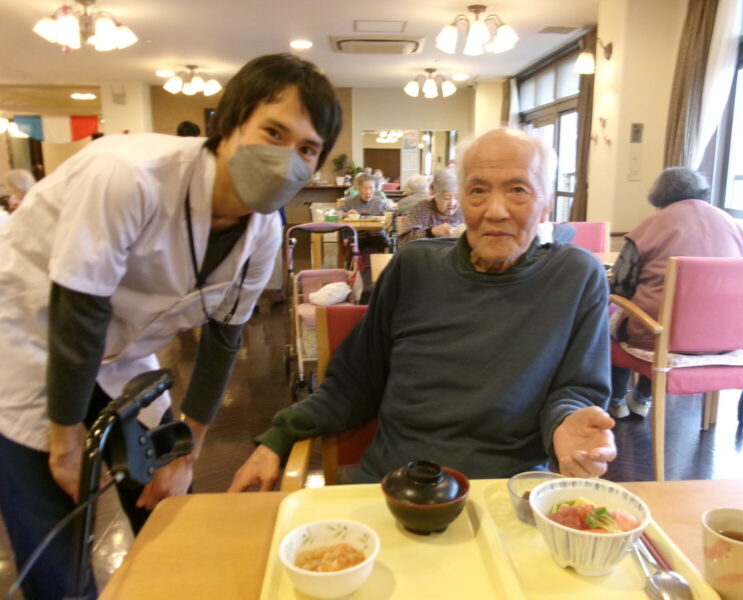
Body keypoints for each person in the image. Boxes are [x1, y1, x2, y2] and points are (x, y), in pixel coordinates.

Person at [0, 53, 341, 600]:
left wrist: (188, 450)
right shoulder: (128, 176)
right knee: (56, 552)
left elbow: (224, 339)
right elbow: (79, 311)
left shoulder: (263, 234)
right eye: (273, 133)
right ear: (229, 125)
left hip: (121, 354)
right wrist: (63, 439)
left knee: (168, 506)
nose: (286, 159)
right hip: (27, 340)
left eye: (306, 149)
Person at [229, 128, 615, 492]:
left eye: (518, 190)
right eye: (478, 190)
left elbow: (577, 388)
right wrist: (279, 437)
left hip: (509, 493)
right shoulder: (414, 267)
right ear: (460, 201)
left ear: (546, 204)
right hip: (394, 484)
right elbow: (356, 380)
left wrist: (567, 422)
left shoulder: (576, 276)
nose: (495, 210)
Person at [607, 167, 743, 419]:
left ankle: (616, 400)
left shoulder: (652, 227)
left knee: (607, 313)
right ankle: (642, 397)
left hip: (661, 336)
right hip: (725, 337)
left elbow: (621, 286)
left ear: (659, 196)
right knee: (672, 317)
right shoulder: (732, 224)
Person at [399, 168, 463, 247]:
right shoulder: (421, 209)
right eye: (447, 198)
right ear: (435, 194)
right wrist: (431, 232)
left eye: (457, 197)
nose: (452, 203)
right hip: (427, 254)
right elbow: (404, 242)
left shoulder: (464, 210)